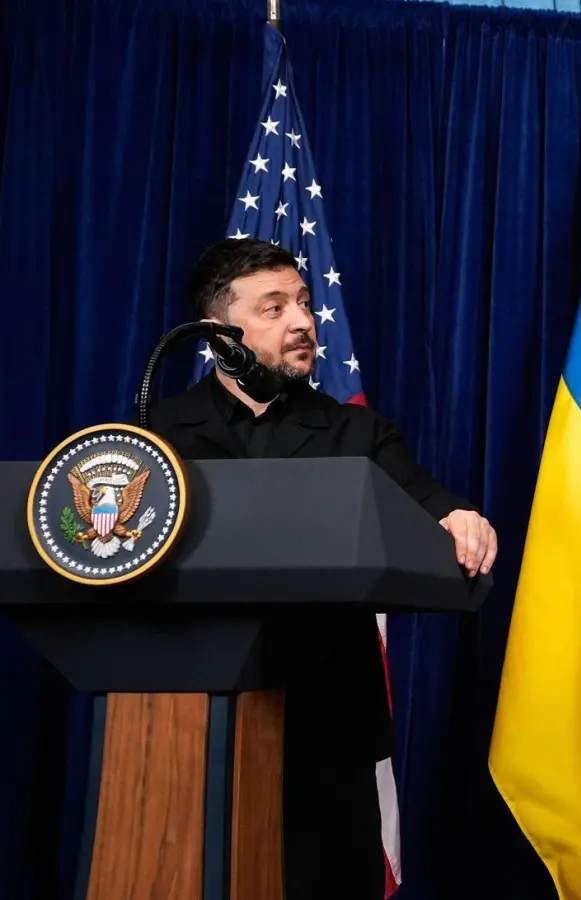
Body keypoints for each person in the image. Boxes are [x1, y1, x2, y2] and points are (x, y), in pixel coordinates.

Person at [149, 238, 498, 899]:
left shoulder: (354, 432)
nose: (303, 322)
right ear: (223, 334)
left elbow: (429, 502)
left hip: (325, 724)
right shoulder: (159, 432)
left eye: (304, 304)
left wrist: (459, 519)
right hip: (189, 720)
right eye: (274, 307)